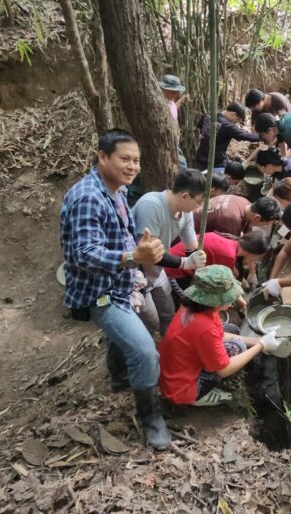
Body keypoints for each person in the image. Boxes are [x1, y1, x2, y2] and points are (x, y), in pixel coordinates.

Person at [60, 129, 171, 449]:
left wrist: (140, 252)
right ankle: (151, 417)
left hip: (120, 282)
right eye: (124, 159)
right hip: (101, 291)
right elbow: (83, 254)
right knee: (145, 351)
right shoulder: (87, 198)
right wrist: (134, 256)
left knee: (120, 338)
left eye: (136, 160)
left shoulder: (118, 191)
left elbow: (122, 237)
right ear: (102, 157)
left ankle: (120, 378)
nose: (132, 166)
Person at [159, 265, 282, 406]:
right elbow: (224, 370)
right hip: (181, 389)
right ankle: (197, 397)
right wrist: (261, 345)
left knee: (233, 329)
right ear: (216, 301)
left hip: (173, 371)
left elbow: (220, 334)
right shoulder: (204, 328)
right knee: (238, 346)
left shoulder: (194, 306)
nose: (232, 302)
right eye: (229, 298)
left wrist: (255, 341)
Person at [132, 170, 208, 335]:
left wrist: (199, 260)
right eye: (199, 201)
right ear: (185, 196)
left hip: (158, 272)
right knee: (151, 322)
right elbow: (150, 254)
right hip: (137, 275)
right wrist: (185, 263)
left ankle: (168, 344)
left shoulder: (185, 213)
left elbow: (191, 246)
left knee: (168, 313)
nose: (199, 207)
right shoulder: (151, 205)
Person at [163, 230, 271, 288]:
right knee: (191, 298)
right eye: (259, 257)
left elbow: (229, 266)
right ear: (253, 252)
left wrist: (238, 276)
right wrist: (243, 304)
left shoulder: (230, 239)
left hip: (173, 255)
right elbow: (224, 281)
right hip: (173, 268)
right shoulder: (229, 256)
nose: (257, 260)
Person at [195, 102, 262, 172]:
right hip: (216, 162)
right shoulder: (227, 126)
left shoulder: (209, 115)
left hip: (201, 157)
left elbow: (199, 126)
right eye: (238, 119)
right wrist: (265, 136)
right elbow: (247, 136)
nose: (236, 122)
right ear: (234, 114)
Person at [192, 194, 281, 238]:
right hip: (188, 237)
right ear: (257, 217)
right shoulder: (233, 220)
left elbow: (247, 228)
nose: (263, 226)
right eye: (265, 224)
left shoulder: (243, 202)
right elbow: (229, 249)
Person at [159, 74, 189, 172]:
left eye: (176, 91)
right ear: (164, 89)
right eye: (173, 91)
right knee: (182, 166)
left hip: (174, 141)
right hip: (167, 143)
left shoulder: (170, 101)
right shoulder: (160, 104)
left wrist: (182, 100)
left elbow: (173, 109)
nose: (175, 94)